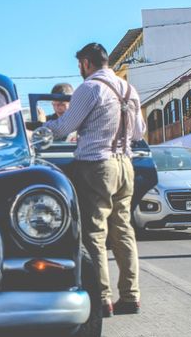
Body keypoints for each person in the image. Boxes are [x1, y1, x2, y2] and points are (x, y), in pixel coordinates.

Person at [40, 43, 145, 318]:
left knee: (94, 234)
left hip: (97, 165)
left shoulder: (89, 88)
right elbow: (139, 132)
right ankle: (131, 296)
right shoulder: (128, 89)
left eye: (79, 65)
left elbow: (64, 127)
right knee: (123, 230)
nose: (80, 70)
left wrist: (38, 130)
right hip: (126, 164)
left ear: (86, 63)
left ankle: (102, 299)